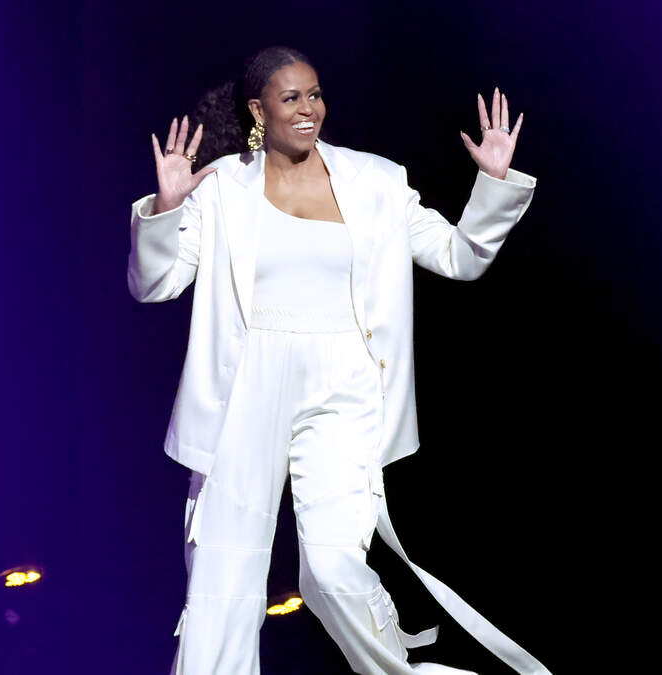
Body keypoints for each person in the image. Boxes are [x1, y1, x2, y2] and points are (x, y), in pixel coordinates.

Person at [126, 46, 549, 675]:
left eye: (316, 94)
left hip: (346, 381)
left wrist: (493, 184)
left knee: (333, 567)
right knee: (223, 576)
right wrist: (165, 209)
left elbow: (459, 257)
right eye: (291, 97)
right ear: (258, 110)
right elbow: (154, 285)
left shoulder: (376, 181)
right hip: (245, 387)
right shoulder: (219, 188)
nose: (309, 108)